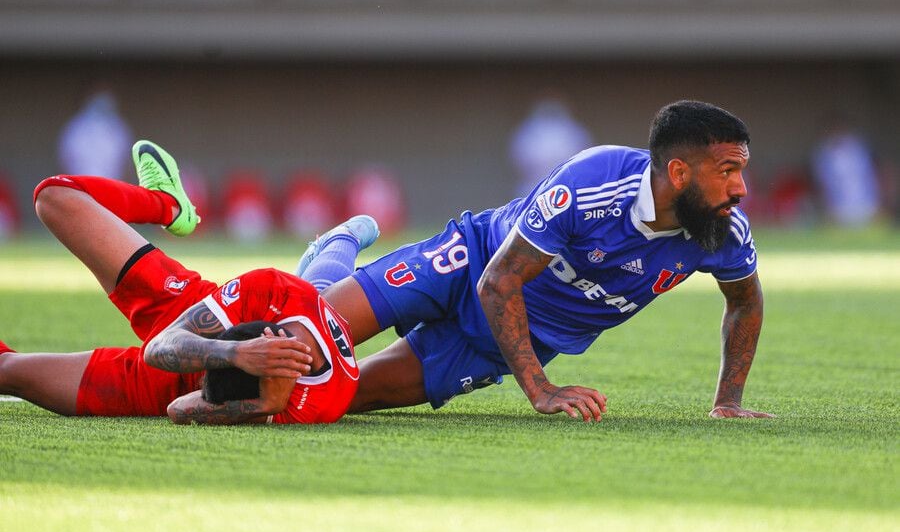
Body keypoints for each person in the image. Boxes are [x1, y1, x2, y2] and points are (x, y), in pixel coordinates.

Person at [297, 100, 774, 422]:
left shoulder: (723, 229)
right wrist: (541, 390)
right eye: (727, 171)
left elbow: (745, 303)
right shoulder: (594, 183)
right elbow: (498, 280)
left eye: (742, 171)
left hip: (498, 343)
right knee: (303, 334)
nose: (741, 189)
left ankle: (324, 275)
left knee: (320, 396)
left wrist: (727, 403)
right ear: (678, 172)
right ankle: (333, 254)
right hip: (469, 264)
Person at [0, 141, 376, 425]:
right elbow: (160, 346)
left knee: (7, 372)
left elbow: (177, 407)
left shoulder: (307, 407)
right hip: (190, 307)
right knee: (54, 196)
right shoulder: (274, 291)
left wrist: (262, 402)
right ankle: (167, 204)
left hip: (157, 383)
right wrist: (233, 353)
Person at [509, 96, 592, 197]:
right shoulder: (529, 131)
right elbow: (520, 157)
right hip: (533, 186)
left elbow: (583, 158)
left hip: (567, 187)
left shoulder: (573, 131)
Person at [811, 117, 882, 227]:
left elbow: (872, 175)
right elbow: (823, 183)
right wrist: (827, 207)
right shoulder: (823, 154)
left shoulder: (859, 149)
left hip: (866, 205)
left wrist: (879, 202)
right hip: (838, 209)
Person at [58, 86, 133, 180]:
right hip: (81, 185)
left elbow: (126, 162)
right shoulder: (76, 126)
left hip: (111, 185)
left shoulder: (118, 127)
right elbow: (66, 161)